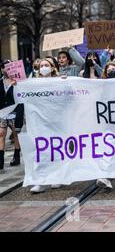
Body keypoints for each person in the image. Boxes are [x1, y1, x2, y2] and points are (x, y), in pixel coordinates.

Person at [29, 58, 62, 193]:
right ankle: (40, 181)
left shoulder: (60, 81)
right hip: (39, 121)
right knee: (40, 149)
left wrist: (65, 83)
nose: (43, 67)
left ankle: (57, 177)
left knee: (56, 148)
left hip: (56, 121)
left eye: (46, 65)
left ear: (52, 67)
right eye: (41, 65)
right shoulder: (32, 83)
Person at [0, 61, 24, 170]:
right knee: (1, 133)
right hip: (2, 112)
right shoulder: (0, 82)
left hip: (15, 111)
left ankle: (16, 156)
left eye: (9, 68)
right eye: (4, 68)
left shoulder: (18, 83)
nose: (6, 70)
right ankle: (1, 160)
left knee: (15, 134)